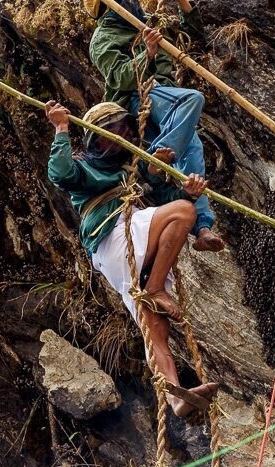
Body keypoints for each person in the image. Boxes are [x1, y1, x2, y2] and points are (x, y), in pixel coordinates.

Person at [45, 98, 218, 422]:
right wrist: (61, 128)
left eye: (123, 129)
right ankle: (154, 286)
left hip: (121, 253)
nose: (119, 136)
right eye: (110, 133)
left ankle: (175, 398)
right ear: (94, 141)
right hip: (112, 235)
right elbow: (60, 173)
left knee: (156, 328)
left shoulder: (135, 170)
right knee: (183, 213)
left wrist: (188, 190)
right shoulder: (84, 166)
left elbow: (169, 198)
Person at [86, 0, 225, 254]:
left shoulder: (146, 20)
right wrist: (147, 53)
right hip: (138, 102)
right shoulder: (102, 40)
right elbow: (121, 77)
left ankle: (202, 227)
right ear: (110, 3)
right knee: (192, 100)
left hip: (164, 100)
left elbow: (193, 36)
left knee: (193, 148)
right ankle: (162, 154)